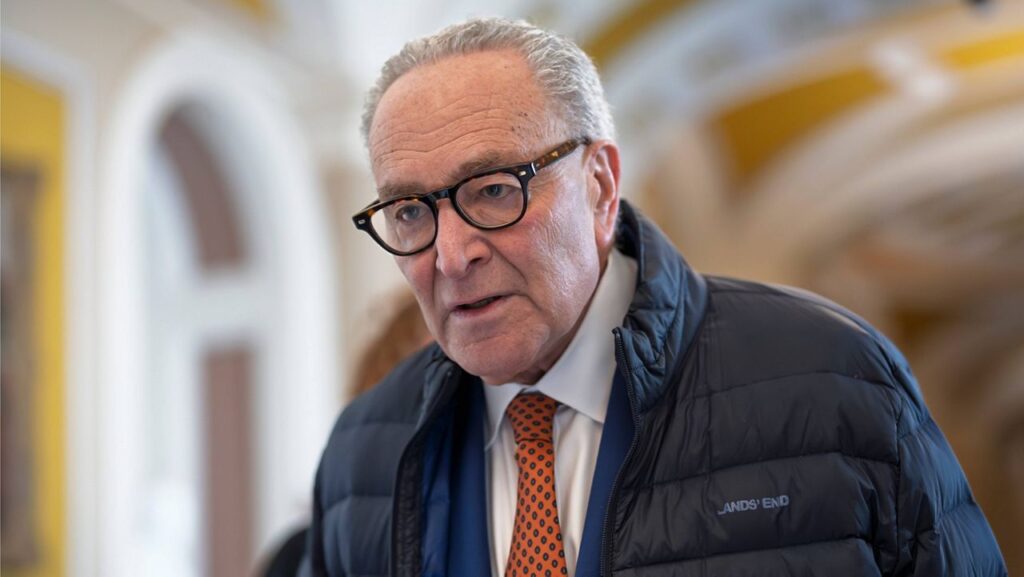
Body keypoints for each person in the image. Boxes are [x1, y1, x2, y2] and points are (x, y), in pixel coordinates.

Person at [303, 17, 1006, 577]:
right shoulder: (363, 454)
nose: (451, 255)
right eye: (409, 212)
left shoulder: (832, 380)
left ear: (601, 185)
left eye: (493, 190)